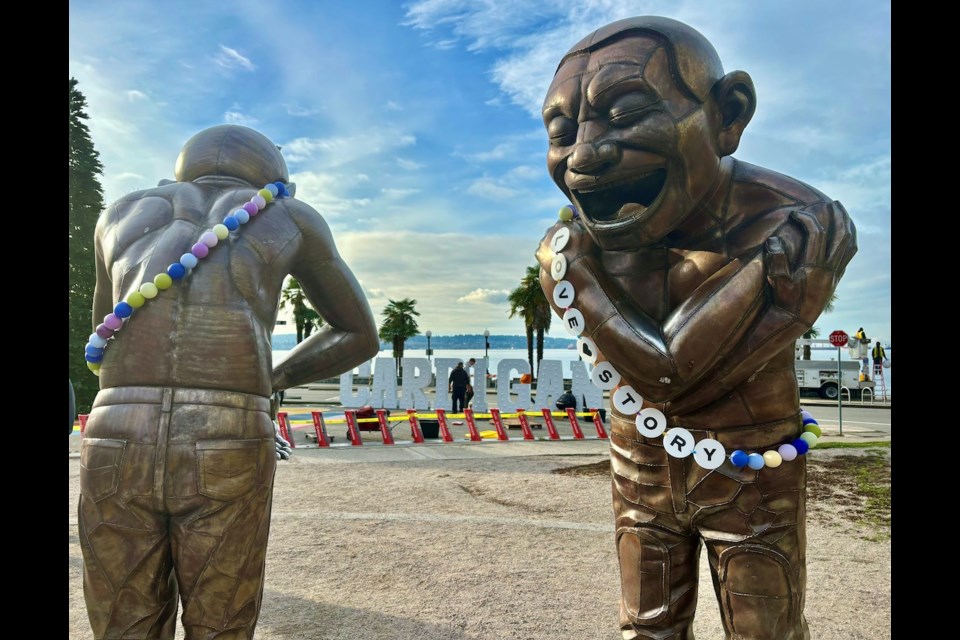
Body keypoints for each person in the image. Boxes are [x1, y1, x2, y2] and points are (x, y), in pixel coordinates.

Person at [535, 17, 856, 639]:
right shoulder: (581, 245)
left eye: (626, 115)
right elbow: (653, 371)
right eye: (561, 131)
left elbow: (672, 371)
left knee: (767, 630)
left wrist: (575, 274)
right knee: (645, 628)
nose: (585, 153)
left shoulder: (797, 220)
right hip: (638, 464)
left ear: (727, 114)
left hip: (753, 468)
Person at [78, 124, 379, 639]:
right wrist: (273, 377)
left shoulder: (120, 213)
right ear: (274, 173)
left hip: (115, 427)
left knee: (120, 617)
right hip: (230, 427)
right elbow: (358, 333)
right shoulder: (288, 214)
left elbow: (104, 330)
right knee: (221, 616)